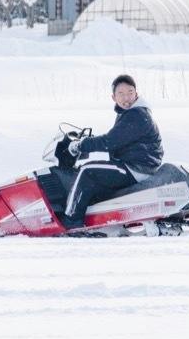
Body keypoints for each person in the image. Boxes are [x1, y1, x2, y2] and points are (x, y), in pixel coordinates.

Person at [56, 73, 164, 231]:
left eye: (130, 92)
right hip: (135, 165)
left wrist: (80, 145)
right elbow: (117, 140)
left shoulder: (136, 115)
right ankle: (92, 217)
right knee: (93, 170)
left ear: (136, 93)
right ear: (113, 97)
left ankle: (72, 221)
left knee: (86, 171)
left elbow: (109, 141)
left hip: (135, 168)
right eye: (121, 94)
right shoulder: (131, 114)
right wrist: (88, 144)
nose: (126, 97)